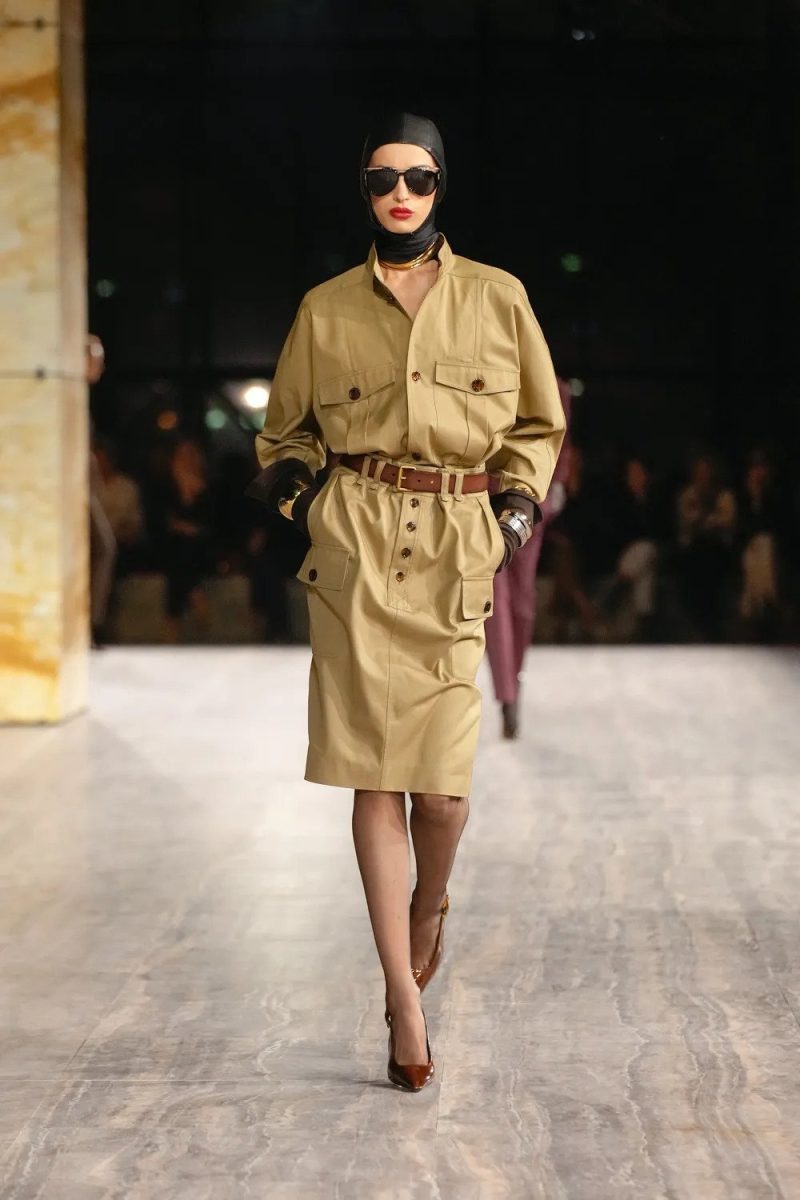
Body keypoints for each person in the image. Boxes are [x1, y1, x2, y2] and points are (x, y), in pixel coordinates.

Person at [247, 111, 565, 1091]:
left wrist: (511, 520)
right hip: (356, 551)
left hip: (455, 547)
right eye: (383, 177)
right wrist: (309, 507)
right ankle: (403, 1000)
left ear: (440, 186)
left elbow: (537, 424)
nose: (400, 194)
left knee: (442, 794)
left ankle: (430, 905)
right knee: (374, 782)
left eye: (417, 178)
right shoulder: (326, 308)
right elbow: (284, 435)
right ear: (363, 187)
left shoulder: (497, 298)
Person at [484, 378, 572, 737]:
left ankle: (512, 686)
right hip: (484, 493)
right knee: (497, 599)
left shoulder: (554, 385)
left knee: (521, 602)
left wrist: (558, 484)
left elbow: (560, 438)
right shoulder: (484, 369)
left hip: (532, 499)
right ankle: (507, 695)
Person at [161, 438, 214, 643]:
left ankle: (171, 623)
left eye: (189, 456)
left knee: (183, 554)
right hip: (176, 545)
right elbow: (166, 522)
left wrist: (189, 528)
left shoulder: (206, 489)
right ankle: (196, 595)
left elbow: (209, 525)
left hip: (201, 547)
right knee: (181, 553)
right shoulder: (169, 487)